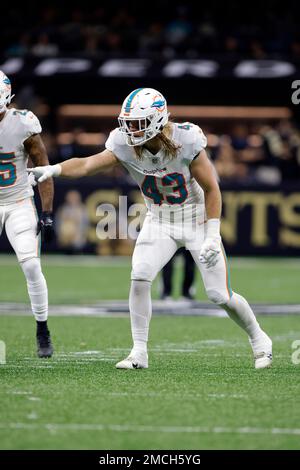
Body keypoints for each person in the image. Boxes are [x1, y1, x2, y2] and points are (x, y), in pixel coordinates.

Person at [29, 87, 272, 370]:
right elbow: (87, 164)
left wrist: (212, 233)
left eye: (138, 123)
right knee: (140, 275)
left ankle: (259, 339)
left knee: (219, 294)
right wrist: (55, 169)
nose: (130, 129)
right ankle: (139, 352)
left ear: (157, 120)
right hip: (160, 221)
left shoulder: (186, 139)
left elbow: (212, 188)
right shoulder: (123, 143)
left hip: (196, 221)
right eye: (128, 123)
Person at [0, 70, 54, 358]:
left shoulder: (22, 124)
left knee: (31, 266)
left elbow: (43, 168)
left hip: (19, 201)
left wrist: (46, 211)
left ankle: (42, 328)